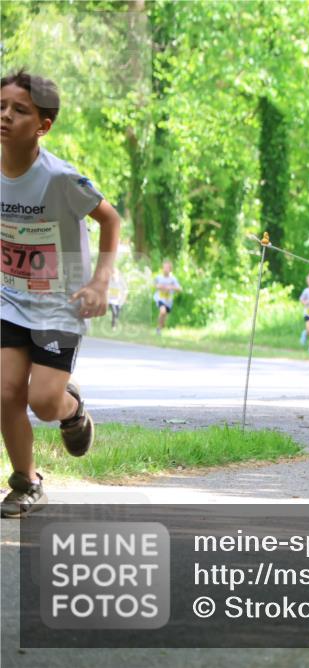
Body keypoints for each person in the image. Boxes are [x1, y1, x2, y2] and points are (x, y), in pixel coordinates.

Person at [0, 70, 120, 517]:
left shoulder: (60, 178)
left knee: (43, 402)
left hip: (58, 304)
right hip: (10, 298)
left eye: (19, 110)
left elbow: (111, 219)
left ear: (43, 125)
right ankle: (26, 482)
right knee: (6, 393)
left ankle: (71, 409)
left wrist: (100, 282)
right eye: (1, 107)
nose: (6, 116)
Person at [153, 260, 181, 335]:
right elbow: (154, 284)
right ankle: (158, 329)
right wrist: (158, 286)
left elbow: (179, 289)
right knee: (162, 311)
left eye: (167, 268)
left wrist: (170, 287)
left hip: (168, 301)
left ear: (170, 269)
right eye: (164, 267)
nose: (165, 269)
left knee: (164, 317)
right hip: (160, 298)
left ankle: (159, 327)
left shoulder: (173, 279)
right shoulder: (159, 277)